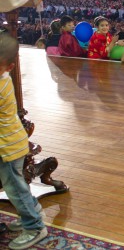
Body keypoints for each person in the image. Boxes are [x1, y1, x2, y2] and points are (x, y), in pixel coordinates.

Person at [0, 33, 48, 249]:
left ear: (9, 67)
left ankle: (35, 226)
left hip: (7, 148)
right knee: (18, 186)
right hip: (12, 143)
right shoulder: (3, 78)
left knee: (15, 190)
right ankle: (33, 210)